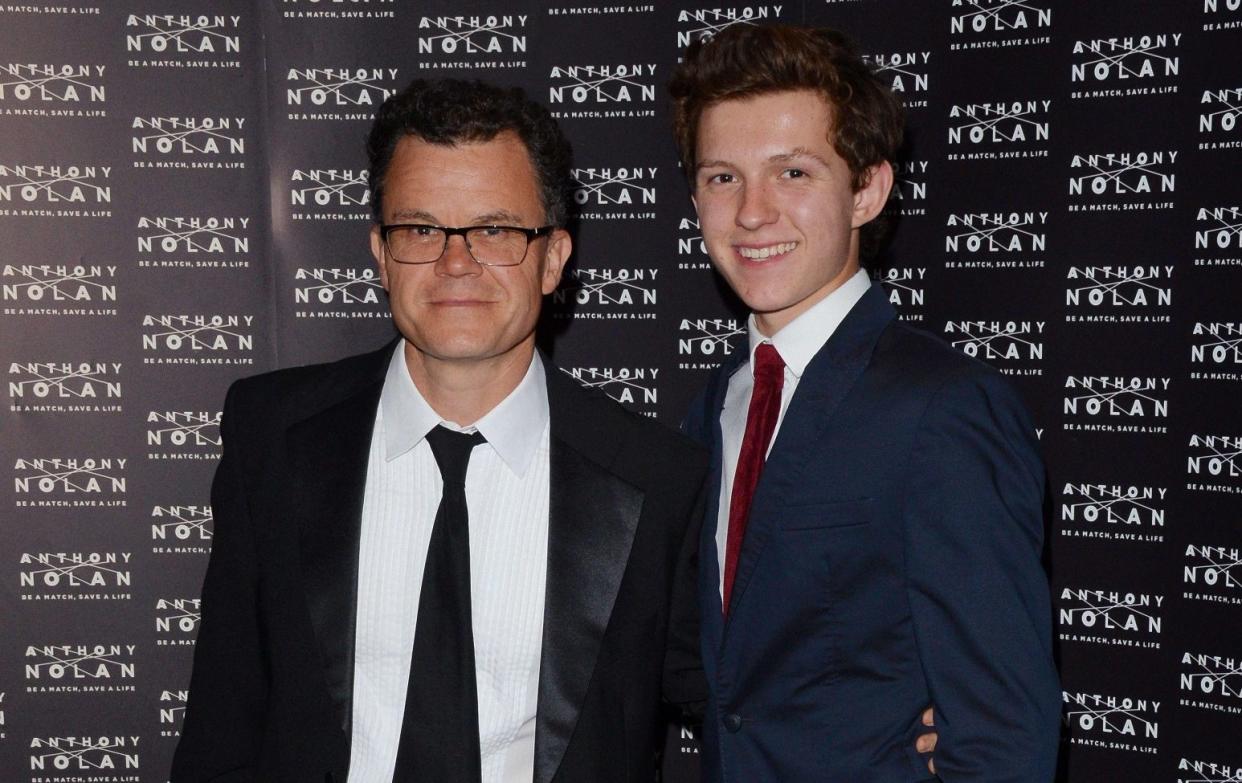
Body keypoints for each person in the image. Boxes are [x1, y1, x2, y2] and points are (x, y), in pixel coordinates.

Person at [170, 78, 708, 783]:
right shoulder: (269, 435)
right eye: (421, 228)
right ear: (381, 253)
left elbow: (748, 700)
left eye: (494, 229)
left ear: (552, 258)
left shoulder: (657, 479)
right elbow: (221, 725)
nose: (457, 262)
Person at [671, 24, 1061, 781]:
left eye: (793, 173)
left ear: (867, 190)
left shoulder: (946, 410)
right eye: (724, 177)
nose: (752, 212)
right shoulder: (715, 406)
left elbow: (1006, 735)